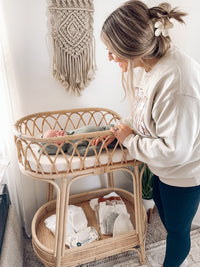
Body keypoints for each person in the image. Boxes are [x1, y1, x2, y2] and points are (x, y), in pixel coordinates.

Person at [97, 1, 200, 266]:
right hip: (162, 169)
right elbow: (145, 109)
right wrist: (124, 127)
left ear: (129, 47)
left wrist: (129, 140)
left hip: (183, 173)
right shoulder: (150, 65)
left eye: (111, 50)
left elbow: (175, 151)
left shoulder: (176, 80)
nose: (109, 56)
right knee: (166, 219)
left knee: (177, 232)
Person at [40, 125, 117, 156]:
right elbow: (89, 151)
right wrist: (101, 143)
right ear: (57, 147)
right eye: (56, 136)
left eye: (57, 131)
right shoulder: (72, 148)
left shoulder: (71, 133)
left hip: (111, 128)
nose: (59, 132)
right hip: (112, 140)